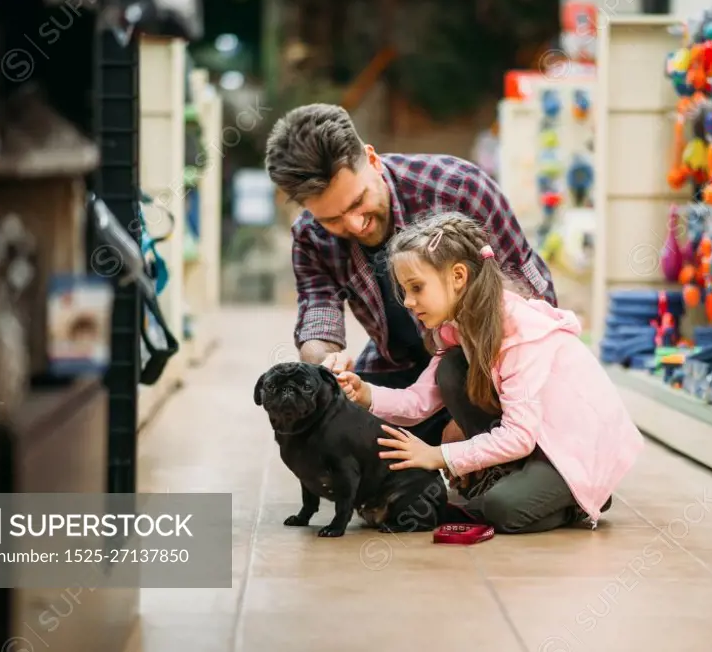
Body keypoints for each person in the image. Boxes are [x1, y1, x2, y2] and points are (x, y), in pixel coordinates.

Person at [265, 103, 556, 447]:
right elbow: (318, 314)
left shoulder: (458, 188)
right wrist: (324, 365)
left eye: (358, 202)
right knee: (338, 429)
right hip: (402, 366)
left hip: (488, 362)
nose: (355, 225)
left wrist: (469, 419)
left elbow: (532, 303)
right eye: (333, 220)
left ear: (372, 160)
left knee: (460, 396)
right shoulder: (310, 236)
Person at [336, 212, 645, 533]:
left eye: (416, 288)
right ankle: (516, 479)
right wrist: (365, 393)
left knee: (501, 509)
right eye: (404, 291)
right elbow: (419, 402)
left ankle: (580, 499)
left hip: (574, 448)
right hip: (537, 437)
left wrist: (438, 456)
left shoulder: (518, 333)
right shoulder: (457, 328)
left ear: (458, 276)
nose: (409, 302)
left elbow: (519, 437)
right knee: (451, 371)